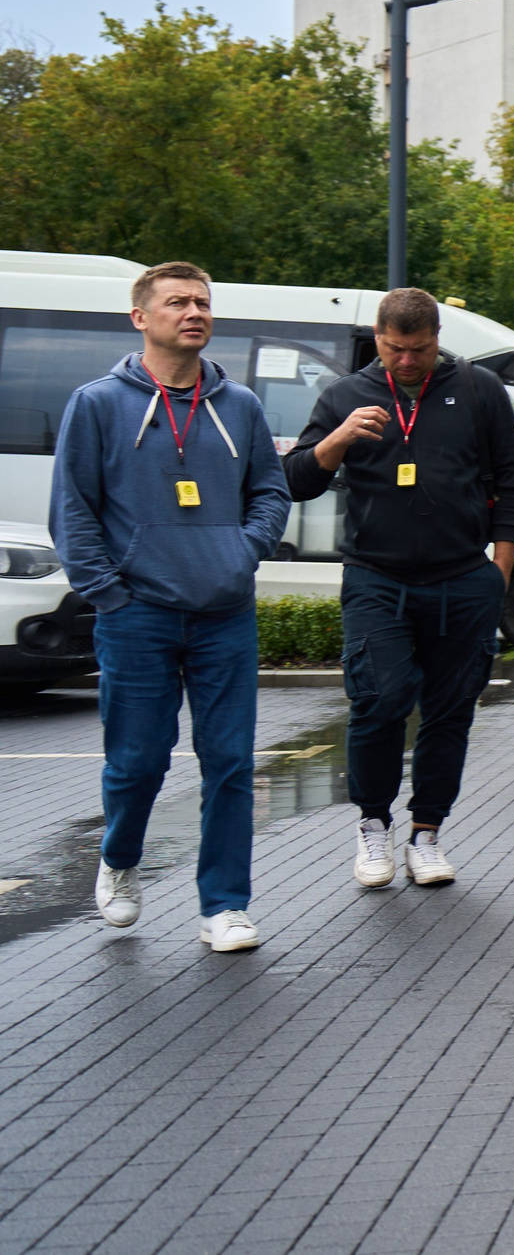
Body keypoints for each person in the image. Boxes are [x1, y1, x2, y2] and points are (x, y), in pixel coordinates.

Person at [52, 261, 290, 953]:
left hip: (224, 612)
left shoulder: (239, 405)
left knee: (231, 762)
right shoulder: (97, 403)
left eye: (203, 302)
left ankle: (225, 904)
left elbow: (270, 491)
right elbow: (73, 510)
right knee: (137, 762)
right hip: (137, 614)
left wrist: (242, 552)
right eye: (178, 301)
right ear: (141, 317)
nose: (194, 311)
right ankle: (120, 858)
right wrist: (111, 594)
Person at [287, 288, 514, 890]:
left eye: (417, 350)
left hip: (462, 576)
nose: (404, 361)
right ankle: (373, 825)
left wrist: (498, 569)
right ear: (378, 335)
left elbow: (512, 480)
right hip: (377, 577)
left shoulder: (479, 390)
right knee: (379, 699)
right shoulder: (346, 394)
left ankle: (427, 833)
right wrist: (336, 440)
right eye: (394, 349)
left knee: (450, 711)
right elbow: (295, 481)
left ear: (437, 338)